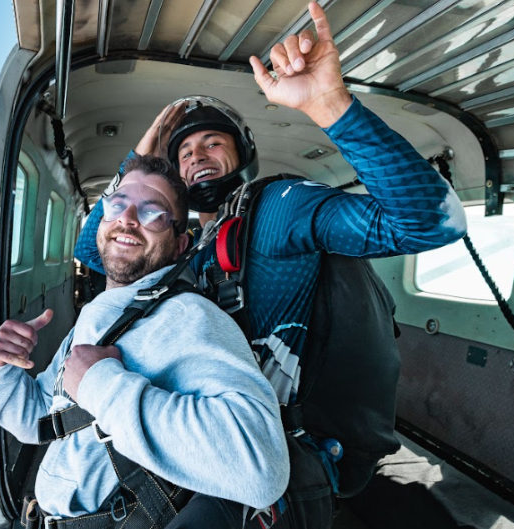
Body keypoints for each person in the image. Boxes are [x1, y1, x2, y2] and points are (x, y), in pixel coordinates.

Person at [73, 2, 468, 525]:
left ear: (243, 157)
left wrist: (333, 106)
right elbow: (89, 253)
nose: (196, 155)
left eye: (213, 142)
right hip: (198, 424)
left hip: (269, 453)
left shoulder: (281, 207)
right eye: (184, 151)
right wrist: (137, 166)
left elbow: (429, 222)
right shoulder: (183, 241)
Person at [0, 155, 289, 528]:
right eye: (117, 205)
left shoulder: (188, 318)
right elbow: (41, 421)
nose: (127, 218)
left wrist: (101, 384)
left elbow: (261, 467)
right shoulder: (98, 316)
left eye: (153, 212)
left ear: (178, 244)